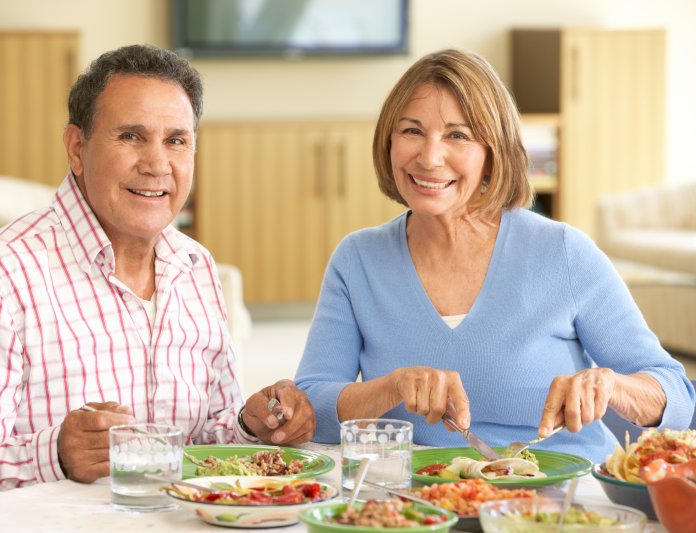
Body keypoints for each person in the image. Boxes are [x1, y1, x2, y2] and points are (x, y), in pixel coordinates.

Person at [0, 44, 315, 506]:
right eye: (131, 136)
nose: (157, 164)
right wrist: (55, 455)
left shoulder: (196, 267)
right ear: (77, 148)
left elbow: (204, 440)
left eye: (176, 140)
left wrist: (250, 424)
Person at [294, 48, 695, 463]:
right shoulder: (358, 260)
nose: (429, 158)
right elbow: (308, 409)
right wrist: (392, 387)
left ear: (493, 151)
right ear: (388, 142)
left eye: (457, 135)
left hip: (566, 502)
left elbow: (677, 396)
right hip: (420, 504)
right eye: (411, 131)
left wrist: (612, 387)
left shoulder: (563, 252)